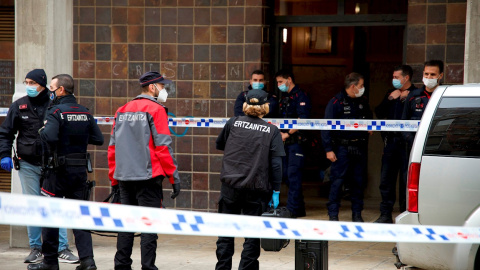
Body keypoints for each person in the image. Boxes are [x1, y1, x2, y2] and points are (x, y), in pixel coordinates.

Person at [0, 69, 78, 264]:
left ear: (42, 84)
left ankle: (62, 248)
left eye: (32, 82)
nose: (29, 86)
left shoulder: (55, 105)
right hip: (27, 164)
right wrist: (4, 155)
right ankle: (36, 248)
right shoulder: (19, 105)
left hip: (52, 165)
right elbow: (6, 132)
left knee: (54, 205)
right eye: (26, 82)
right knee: (32, 206)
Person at [28, 74, 104, 270]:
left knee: (50, 216)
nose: (49, 91)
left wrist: (42, 131)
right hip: (79, 172)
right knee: (79, 215)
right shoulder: (85, 112)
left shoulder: (55, 112)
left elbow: (50, 137)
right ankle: (88, 261)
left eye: (52, 88)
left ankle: (50, 262)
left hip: (56, 173)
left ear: (61, 90)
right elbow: (98, 139)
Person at [108, 71, 181, 270]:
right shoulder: (156, 110)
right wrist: (174, 178)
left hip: (124, 177)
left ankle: (121, 265)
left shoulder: (122, 109)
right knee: (149, 226)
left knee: (126, 226)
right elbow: (163, 147)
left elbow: (112, 148)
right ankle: (148, 267)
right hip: (149, 177)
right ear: (152, 87)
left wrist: (114, 179)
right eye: (162, 87)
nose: (164, 90)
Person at [215, 89, 285, 270]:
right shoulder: (272, 130)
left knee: (225, 234)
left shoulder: (233, 123)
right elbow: (276, 165)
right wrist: (276, 190)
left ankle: (222, 267)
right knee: (252, 236)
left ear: (245, 105)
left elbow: (220, 144)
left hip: (230, 186)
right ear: (265, 107)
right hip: (256, 189)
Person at [321, 72, 372, 222]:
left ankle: (357, 214)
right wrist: (328, 149)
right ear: (353, 86)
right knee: (337, 182)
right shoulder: (336, 102)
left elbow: (369, 119)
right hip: (341, 148)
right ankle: (333, 214)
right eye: (361, 86)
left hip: (359, 147)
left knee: (358, 182)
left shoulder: (363, 101)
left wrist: (370, 127)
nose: (363, 88)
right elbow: (326, 127)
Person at [374, 65, 417, 223]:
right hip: (391, 143)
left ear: (406, 78)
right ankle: (385, 214)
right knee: (386, 180)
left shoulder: (416, 94)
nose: (394, 80)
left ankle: (405, 215)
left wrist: (408, 97)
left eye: (396, 77)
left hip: (407, 145)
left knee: (407, 181)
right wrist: (390, 99)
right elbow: (379, 112)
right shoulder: (390, 94)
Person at [276, 69, 311, 218]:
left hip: (296, 141)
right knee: (287, 175)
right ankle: (299, 208)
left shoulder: (301, 95)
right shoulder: (284, 97)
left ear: (289, 79)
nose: (279, 85)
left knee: (293, 175)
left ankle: (290, 211)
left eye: (280, 82)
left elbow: (302, 119)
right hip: (285, 142)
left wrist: (287, 133)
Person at [402, 60, 444, 150]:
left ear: (440, 76)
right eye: (426, 74)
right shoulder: (413, 96)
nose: (428, 77)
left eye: (432, 74)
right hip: (415, 147)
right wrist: (412, 141)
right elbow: (404, 123)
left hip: (439, 147)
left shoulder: (445, 96)